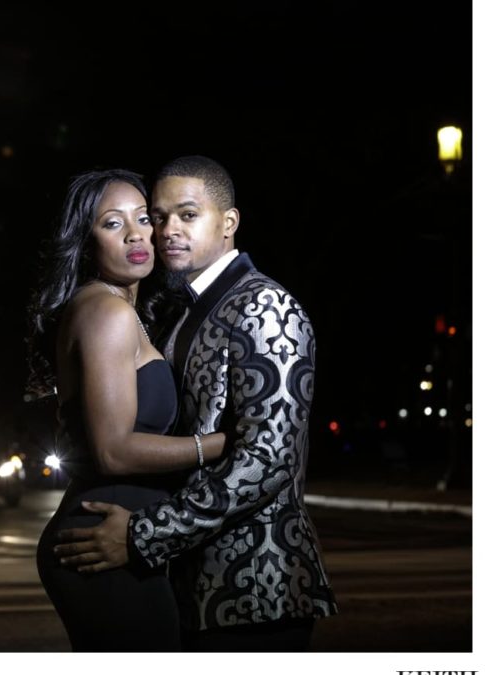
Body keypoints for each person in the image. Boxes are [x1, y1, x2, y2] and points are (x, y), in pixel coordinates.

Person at [53, 156, 338, 651]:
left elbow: (269, 460)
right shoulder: (177, 312)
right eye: (158, 216)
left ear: (228, 224)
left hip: (254, 585)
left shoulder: (264, 306)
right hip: (188, 584)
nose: (165, 231)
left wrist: (144, 534)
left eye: (187, 215)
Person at [27, 168, 227, 651]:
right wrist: (224, 444)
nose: (137, 235)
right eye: (113, 223)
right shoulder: (106, 312)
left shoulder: (117, 309)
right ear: (85, 239)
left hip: (119, 539)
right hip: (99, 545)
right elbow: (113, 452)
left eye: (143, 219)